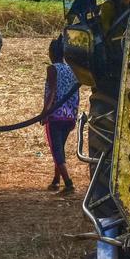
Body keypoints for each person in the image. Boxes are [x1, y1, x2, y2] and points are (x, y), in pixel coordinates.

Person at [42, 38, 80, 194]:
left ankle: (69, 184)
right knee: (59, 149)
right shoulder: (72, 69)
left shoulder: (53, 69)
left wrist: (45, 112)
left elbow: (51, 92)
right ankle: (56, 180)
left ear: (52, 53)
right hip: (69, 116)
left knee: (57, 151)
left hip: (56, 116)